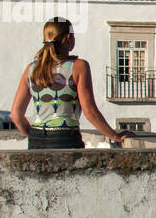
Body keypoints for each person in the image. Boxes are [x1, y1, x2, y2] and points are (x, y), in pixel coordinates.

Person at [11, 18, 131, 150]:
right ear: (68, 38)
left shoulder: (31, 69)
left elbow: (16, 115)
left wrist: (34, 135)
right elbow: (90, 112)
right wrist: (115, 136)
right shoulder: (79, 66)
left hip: (36, 138)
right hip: (66, 137)